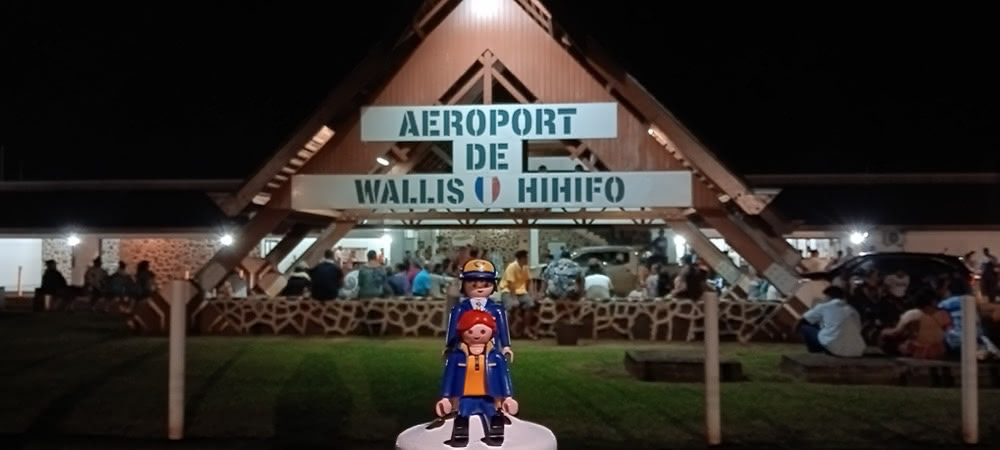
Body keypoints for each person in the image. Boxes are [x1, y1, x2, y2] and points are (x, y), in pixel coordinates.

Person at [436, 309, 517, 447]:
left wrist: (508, 397)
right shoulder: (457, 357)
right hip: (464, 397)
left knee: (493, 415)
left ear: (491, 332)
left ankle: (496, 434)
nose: (477, 336)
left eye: (483, 332)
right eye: (470, 332)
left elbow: (504, 377)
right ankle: (461, 435)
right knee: (462, 416)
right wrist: (445, 398)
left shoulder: (496, 357)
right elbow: (449, 378)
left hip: (489, 397)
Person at [444, 259, 513, 362]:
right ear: (463, 284)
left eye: (486, 284)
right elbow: (453, 329)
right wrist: (450, 346)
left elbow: (503, 329)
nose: (479, 288)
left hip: (491, 351)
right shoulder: (460, 309)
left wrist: (506, 347)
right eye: (473, 284)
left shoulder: (496, 310)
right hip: (464, 350)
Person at [880, 288, 949, 359]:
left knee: (886, 335)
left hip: (919, 351)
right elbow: (947, 333)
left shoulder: (913, 314)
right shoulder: (943, 314)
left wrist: (884, 332)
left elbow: (896, 333)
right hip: (939, 351)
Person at [797, 286, 866, 357]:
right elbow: (858, 328)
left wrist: (795, 331)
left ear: (828, 297)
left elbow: (803, 319)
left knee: (805, 327)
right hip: (857, 350)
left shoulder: (824, 306)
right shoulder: (852, 310)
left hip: (835, 348)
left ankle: (816, 351)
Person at [499, 250, 535, 338]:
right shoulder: (511, 267)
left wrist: (531, 293)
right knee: (510, 307)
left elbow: (529, 281)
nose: (527, 259)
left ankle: (527, 329)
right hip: (507, 291)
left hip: (521, 292)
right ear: (522, 258)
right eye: (526, 258)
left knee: (530, 304)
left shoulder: (525, 268)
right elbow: (510, 284)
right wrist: (514, 298)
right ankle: (505, 332)